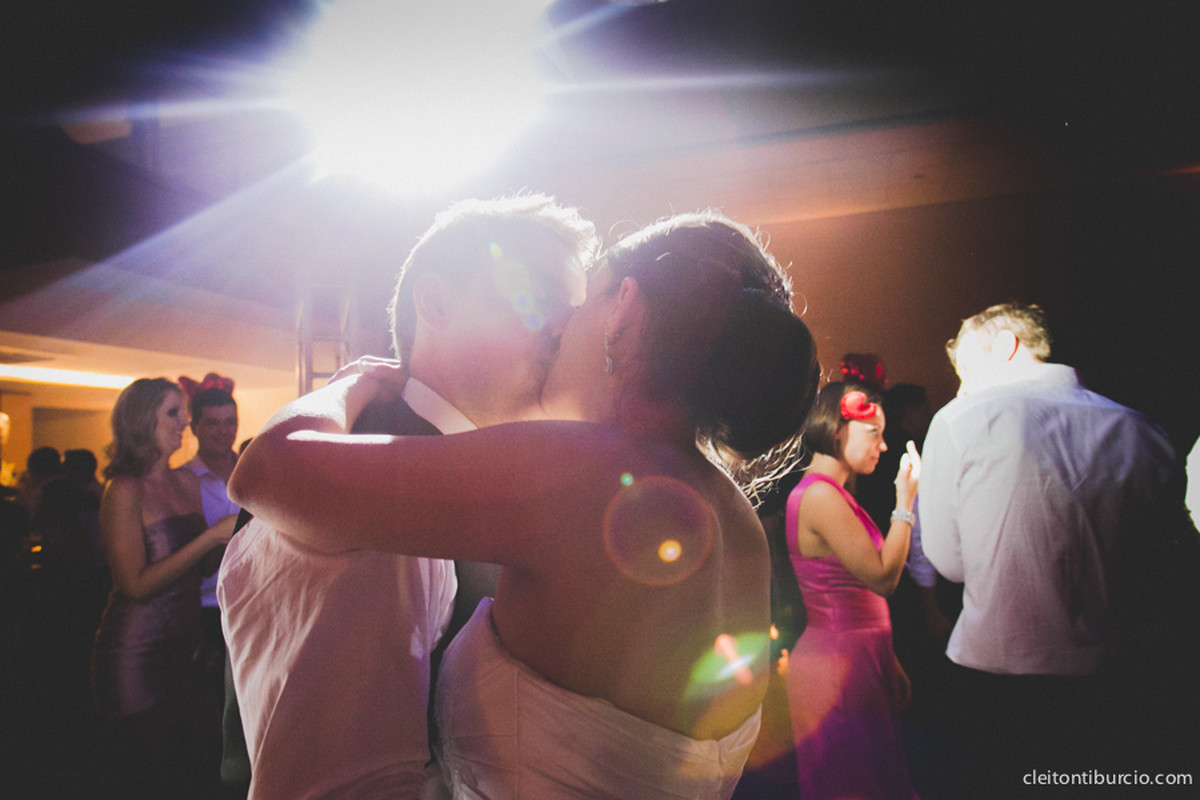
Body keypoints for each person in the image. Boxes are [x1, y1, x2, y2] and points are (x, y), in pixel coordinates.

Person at [228, 211, 820, 799]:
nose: (559, 327)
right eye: (536, 299)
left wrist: (347, 383)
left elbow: (269, 469)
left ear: (624, 308)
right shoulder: (736, 522)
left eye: (578, 301)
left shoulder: (574, 470)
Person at [218, 193, 598, 799]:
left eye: (571, 313)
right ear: (436, 302)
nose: (562, 328)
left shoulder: (461, 475)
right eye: (538, 297)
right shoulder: (366, 482)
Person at [919, 303, 1184, 787]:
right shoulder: (1144, 432)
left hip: (998, 672)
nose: (960, 385)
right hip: (1117, 677)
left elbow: (949, 564)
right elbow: (1159, 568)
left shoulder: (961, 419)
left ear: (1005, 345)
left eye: (964, 369)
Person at [90, 378, 236, 800]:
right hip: (137, 650)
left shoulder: (186, 483)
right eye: (173, 413)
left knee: (195, 766)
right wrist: (209, 538)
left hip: (188, 643)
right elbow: (133, 585)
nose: (184, 422)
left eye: (183, 412)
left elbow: (198, 568)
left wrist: (238, 540)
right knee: (146, 771)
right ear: (141, 420)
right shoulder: (124, 490)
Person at [783, 382, 920, 799]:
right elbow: (883, 578)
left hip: (858, 657)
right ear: (838, 430)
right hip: (837, 664)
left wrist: (887, 656)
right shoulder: (821, 496)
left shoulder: (835, 494)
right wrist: (905, 500)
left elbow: (860, 594)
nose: (883, 446)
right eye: (873, 433)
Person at [179, 374, 243, 795]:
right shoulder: (182, 479)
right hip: (204, 608)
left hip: (254, 600)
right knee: (207, 712)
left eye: (229, 421)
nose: (223, 431)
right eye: (213, 423)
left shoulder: (256, 468)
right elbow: (188, 557)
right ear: (196, 426)